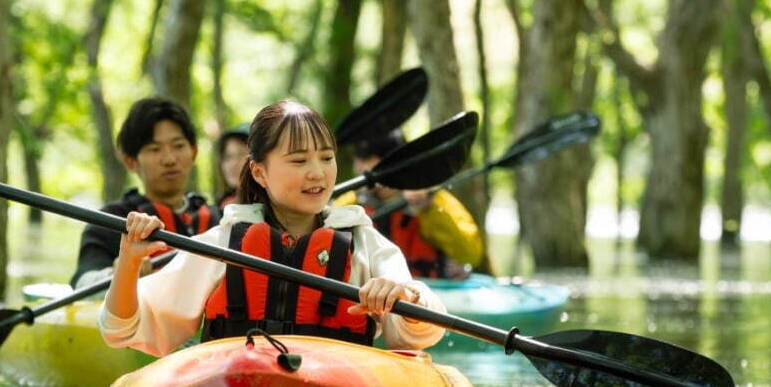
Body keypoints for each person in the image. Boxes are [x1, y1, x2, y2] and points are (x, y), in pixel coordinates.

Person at [100, 99, 447, 356]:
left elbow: (419, 334)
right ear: (259, 172)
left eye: (326, 158)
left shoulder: (365, 243)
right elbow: (122, 330)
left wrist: (406, 296)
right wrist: (129, 262)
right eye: (299, 160)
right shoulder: (221, 243)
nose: (317, 172)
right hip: (235, 386)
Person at [71, 97, 220, 286]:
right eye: (154, 149)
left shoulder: (219, 220)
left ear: (194, 152)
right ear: (131, 162)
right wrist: (122, 272)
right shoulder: (111, 221)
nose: (169, 159)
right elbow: (82, 282)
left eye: (179, 146)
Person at [350, 130, 484, 279]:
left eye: (368, 159)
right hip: (374, 294)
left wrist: (430, 208)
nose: (360, 169)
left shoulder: (434, 199)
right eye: (359, 160)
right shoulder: (352, 203)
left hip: (429, 293)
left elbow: (471, 255)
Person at [214, 123, 250, 208]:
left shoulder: (275, 208)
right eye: (228, 157)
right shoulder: (220, 206)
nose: (233, 164)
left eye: (241, 154)